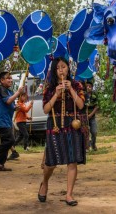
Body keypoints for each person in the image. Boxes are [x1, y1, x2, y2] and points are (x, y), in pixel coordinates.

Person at [38, 57, 85, 206]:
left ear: (68, 69)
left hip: (72, 125)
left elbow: (81, 105)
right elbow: (46, 110)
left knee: (72, 161)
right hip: (55, 126)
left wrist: (70, 89)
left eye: (63, 67)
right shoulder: (49, 88)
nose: (61, 70)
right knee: (51, 162)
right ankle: (44, 182)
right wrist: (56, 94)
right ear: (54, 71)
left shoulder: (77, 85)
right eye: (58, 68)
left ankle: (69, 195)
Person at [0, 71, 25, 171]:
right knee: (10, 140)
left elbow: (10, 104)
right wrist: (18, 92)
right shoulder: (1, 89)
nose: (10, 80)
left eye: (10, 78)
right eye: (8, 78)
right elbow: (8, 101)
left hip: (6, 120)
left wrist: (15, 108)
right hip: (1, 120)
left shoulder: (8, 91)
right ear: (2, 80)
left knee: (6, 141)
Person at [85, 80, 99, 151]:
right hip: (84, 117)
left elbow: (96, 106)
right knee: (86, 132)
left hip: (92, 117)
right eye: (87, 86)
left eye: (90, 86)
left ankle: (93, 144)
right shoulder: (83, 95)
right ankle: (87, 146)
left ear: (92, 87)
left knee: (94, 131)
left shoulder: (94, 95)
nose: (88, 88)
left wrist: (90, 115)